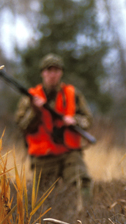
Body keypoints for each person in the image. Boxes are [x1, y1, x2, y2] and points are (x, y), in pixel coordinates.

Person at [15, 53, 94, 197]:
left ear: (61, 73)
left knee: (83, 183)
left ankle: (85, 218)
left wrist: (74, 120)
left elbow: (88, 119)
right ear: (42, 73)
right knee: (41, 198)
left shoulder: (73, 94)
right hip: (43, 156)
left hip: (69, 152)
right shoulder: (30, 97)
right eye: (48, 70)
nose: (52, 74)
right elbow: (22, 126)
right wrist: (35, 111)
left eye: (56, 70)